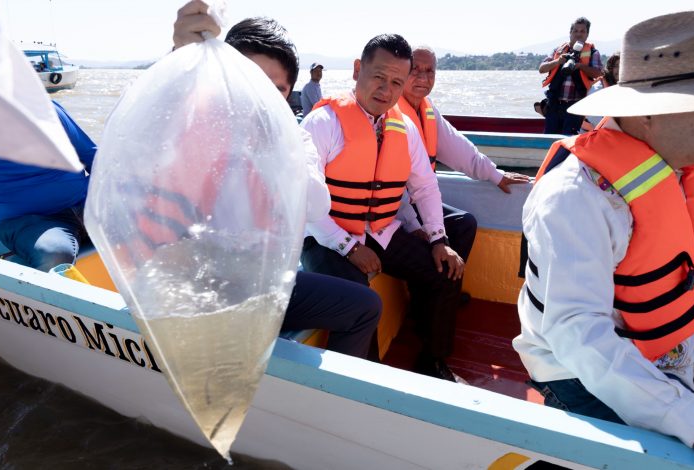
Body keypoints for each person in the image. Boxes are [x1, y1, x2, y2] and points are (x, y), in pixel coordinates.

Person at [515, 10, 694, 468]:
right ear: (647, 112)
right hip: (581, 373)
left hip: (682, 343)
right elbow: (580, 336)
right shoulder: (574, 197)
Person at [172, 1, 382, 359]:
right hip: (197, 286)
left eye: (277, 89)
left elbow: (317, 204)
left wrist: (268, 144)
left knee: (365, 306)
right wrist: (180, 58)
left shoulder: (293, 139)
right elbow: (139, 140)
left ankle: (339, 404)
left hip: (264, 287)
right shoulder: (191, 124)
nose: (260, 97)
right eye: (248, 81)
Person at [300, 34, 465, 382]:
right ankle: (363, 382)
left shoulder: (403, 128)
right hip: (327, 235)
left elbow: (424, 186)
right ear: (358, 70)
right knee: (359, 299)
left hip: (380, 231)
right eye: (379, 77)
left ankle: (431, 361)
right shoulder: (322, 123)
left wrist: (438, 239)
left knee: (444, 271)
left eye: (396, 82)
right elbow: (304, 198)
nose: (386, 90)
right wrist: (348, 247)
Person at [396, 45, 529, 263]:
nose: (423, 77)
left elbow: (460, 148)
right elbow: (388, 183)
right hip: (395, 211)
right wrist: (412, 223)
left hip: (417, 200)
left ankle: (449, 291)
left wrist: (496, 175)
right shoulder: (390, 113)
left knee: (464, 223)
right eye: (415, 69)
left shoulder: (427, 111)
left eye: (430, 71)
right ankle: (437, 292)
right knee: (427, 245)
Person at [0, 100, 96, 272]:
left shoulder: (44, 108)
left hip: (87, 203)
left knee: (143, 212)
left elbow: (91, 154)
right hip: (32, 222)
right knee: (55, 254)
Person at [538, 17, 603, 135]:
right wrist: (557, 62)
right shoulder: (558, 50)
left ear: (587, 34)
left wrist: (580, 66)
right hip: (554, 105)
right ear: (570, 33)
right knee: (549, 139)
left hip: (577, 105)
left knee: (570, 140)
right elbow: (542, 68)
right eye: (575, 31)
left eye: (582, 31)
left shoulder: (593, 52)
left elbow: (599, 73)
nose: (578, 34)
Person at [581, 51, 620, 132]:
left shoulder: (622, 87)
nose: (620, 70)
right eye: (616, 66)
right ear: (610, 68)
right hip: (592, 133)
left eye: (623, 66)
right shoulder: (598, 89)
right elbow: (594, 118)